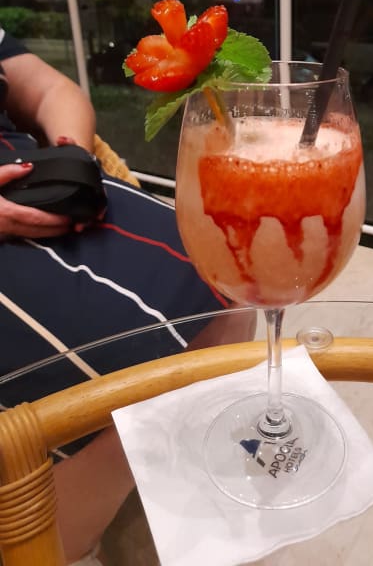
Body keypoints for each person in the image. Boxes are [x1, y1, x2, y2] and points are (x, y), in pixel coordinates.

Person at [0, 29, 255, 564]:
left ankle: (165, 478)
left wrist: (69, 157)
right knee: (107, 351)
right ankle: (57, 542)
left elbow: (50, 90)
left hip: (39, 179)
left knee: (231, 268)